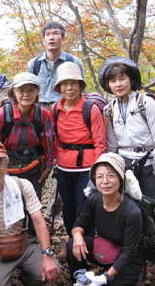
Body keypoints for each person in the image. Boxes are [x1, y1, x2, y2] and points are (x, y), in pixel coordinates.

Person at [98, 56, 155, 269]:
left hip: (150, 164)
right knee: (130, 210)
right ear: (108, 84)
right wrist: (109, 169)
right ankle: (135, 255)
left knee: (154, 209)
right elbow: (112, 144)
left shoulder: (146, 102)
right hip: (125, 165)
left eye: (122, 78)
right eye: (113, 80)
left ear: (131, 79)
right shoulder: (110, 108)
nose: (118, 84)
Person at [0, 139, 60, 285]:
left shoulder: (22, 186)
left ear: (6, 164)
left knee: (52, 271)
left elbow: (38, 220)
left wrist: (47, 255)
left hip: (25, 245)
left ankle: (29, 279)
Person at [67, 153, 145, 285]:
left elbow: (129, 251)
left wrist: (105, 277)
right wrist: (78, 236)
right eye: (100, 176)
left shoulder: (132, 212)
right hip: (105, 247)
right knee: (71, 244)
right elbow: (79, 224)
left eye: (111, 175)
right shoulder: (94, 200)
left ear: (120, 179)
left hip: (127, 260)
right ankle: (81, 278)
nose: (105, 181)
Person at [50, 62, 106, 235]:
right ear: (59, 87)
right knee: (68, 205)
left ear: (80, 86)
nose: (70, 88)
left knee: (84, 205)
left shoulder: (91, 108)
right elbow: (54, 137)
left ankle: (85, 242)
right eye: (65, 84)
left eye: (74, 83)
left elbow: (100, 141)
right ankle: (72, 241)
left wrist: (98, 169)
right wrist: (58, 156)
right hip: (63, 166)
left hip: (87, 167)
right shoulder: (55, 109)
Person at [0, 72, 54, 200]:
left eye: (31, 90)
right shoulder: (1, 115)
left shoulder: (42, 115)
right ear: (14, 93)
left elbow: (48, 143)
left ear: (37, 92)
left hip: (34, 168)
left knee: (32, 208)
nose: (26, 94)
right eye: (21, 90)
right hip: (6, 169)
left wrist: (48, 166)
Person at [27, 21, 84, 107]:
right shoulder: (34, 64)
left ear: (63, 38)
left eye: (55, 33)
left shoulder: (74, 62)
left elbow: (81, 90)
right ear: (43, 40)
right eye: (48, 34)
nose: (51, 37)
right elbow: (28, 90)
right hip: (39, 111)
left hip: (65, 109)